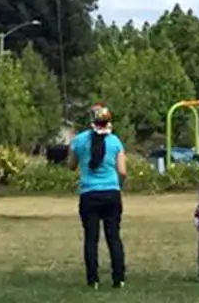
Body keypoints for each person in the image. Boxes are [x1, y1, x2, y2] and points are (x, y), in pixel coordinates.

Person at [69, 104, 127, 289]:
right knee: (114, 238)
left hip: (89, 194)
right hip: (111, 193)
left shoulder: (79, 141)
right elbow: (123, 171)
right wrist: (119, 186)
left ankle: (93, 280)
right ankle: (119, 279)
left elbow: (71, 165)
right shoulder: (115, 142)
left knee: (91, 239)